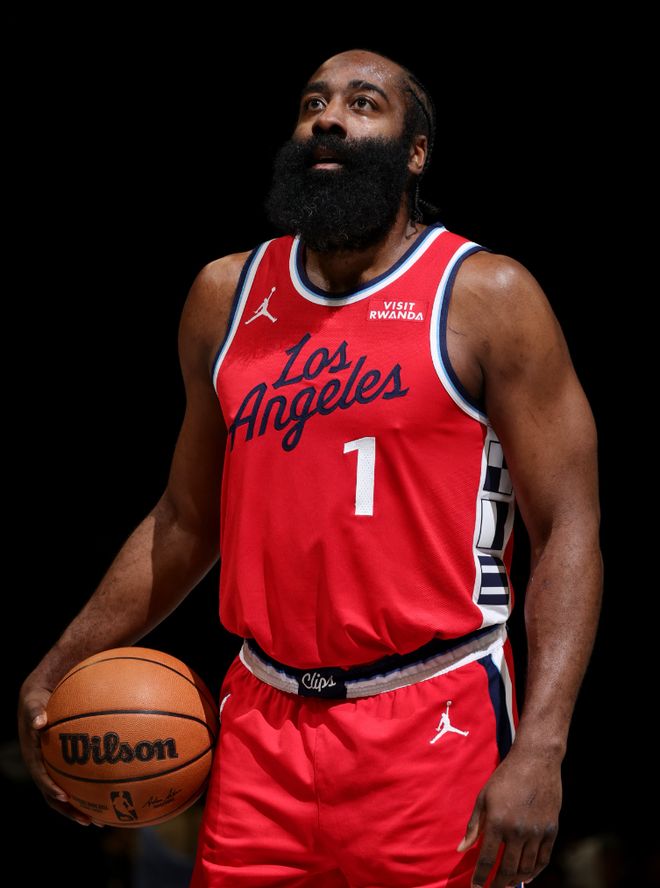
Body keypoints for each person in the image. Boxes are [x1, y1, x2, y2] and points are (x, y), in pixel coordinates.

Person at [18, 48, 603, 888]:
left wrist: (543, 742)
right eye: (312, 103)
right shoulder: (225, 295)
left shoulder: (488, 297)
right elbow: (187, 520)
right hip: (263, 723)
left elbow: (568, 527)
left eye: (364, 103)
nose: (328, 117)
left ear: (415, 152)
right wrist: (58, 665)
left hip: (436, 713)